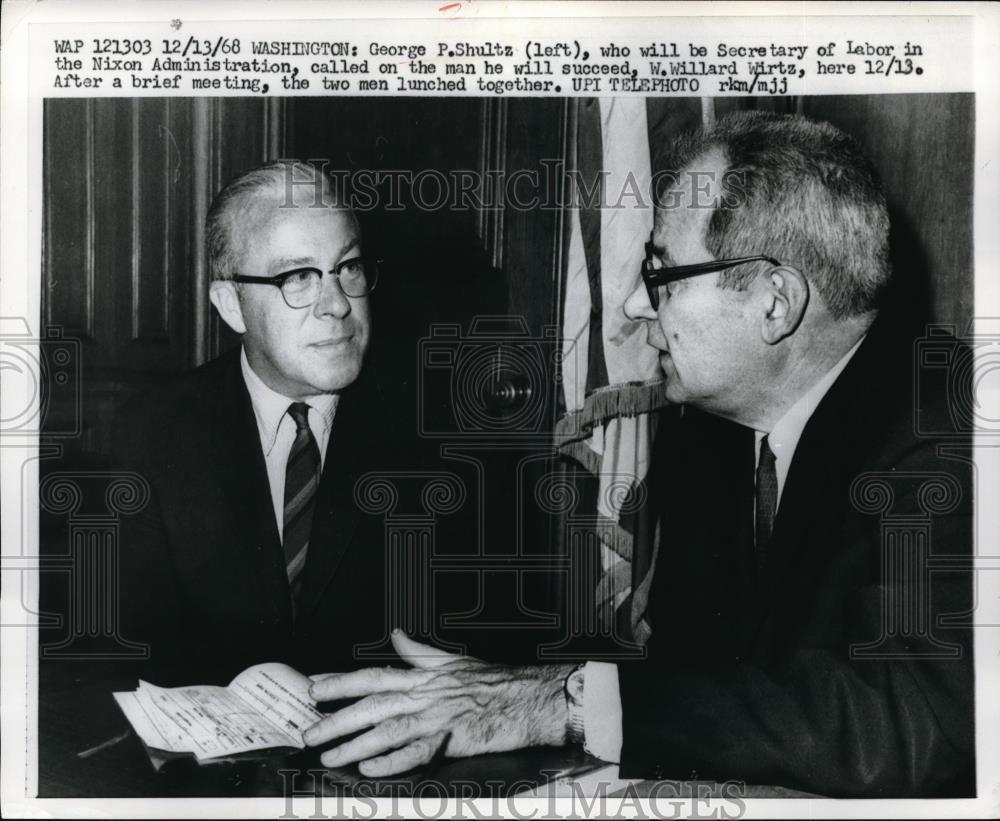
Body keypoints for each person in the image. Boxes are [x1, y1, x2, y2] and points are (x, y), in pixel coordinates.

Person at [303, 112, 974, 797]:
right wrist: (507, 691)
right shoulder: (707, 436)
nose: (628, 305)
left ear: (775, 304)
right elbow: (698, 677)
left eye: (661, 276)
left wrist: (558, 703)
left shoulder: (955, 432)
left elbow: (919, 717)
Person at [114, 161, 394, 684]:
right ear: (232, 306)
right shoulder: (153, 434)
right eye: (297, 277)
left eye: (348, 267)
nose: (337, 305)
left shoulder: (439, 432)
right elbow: (128, 658)